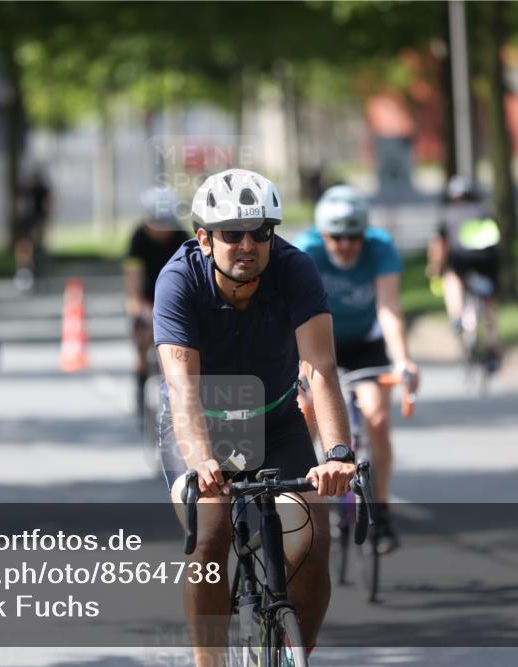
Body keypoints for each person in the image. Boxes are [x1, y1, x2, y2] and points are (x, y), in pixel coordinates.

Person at [153, 168, 356, 664]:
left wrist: (337, 455)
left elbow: (322, 368)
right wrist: (202, 460)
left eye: (261, 231)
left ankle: (293, 654)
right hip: (202, 421)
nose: (248, 244)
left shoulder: (295, 270)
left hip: (276, 419)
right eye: (231, 234)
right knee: (211, 533)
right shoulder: (179, 281)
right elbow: (182, 388)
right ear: (204, 238)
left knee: (311, 540)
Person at [293, 184, 420, 555]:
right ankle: (297, 506)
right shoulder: (307, 250)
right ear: (322, 234)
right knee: (306, 414)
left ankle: (380, 513)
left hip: (365, 344)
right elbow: (293, 316)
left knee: (377, 418)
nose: (346, 245)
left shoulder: (380, 247)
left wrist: (403, 360)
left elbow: (389, 309)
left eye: (353, 236)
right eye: (336, 237)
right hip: (319, 344)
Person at [124, 186, 190, 428]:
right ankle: (141, 385)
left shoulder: (181, 237)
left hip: (174, 299)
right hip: (146, 297)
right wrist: (138, 308)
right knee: (143, 336)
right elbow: (133, 283)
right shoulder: (138, 238)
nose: (162, 230)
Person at [426, 175, 502, 369]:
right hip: (487, 260)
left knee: (451, 278)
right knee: (490, 304)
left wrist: (436, 267)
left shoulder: (448, 214)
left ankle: (456, 316)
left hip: (461, 259)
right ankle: (493, 348)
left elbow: (440, 245)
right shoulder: (485, 211)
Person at [14, 168, 52, 292]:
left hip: (35, 223)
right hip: (28, 223)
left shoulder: (39, 190)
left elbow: (48, 205)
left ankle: (38, 276)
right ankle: (26, 274)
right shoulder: (25, 189)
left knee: (37, 249)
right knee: (25, 249)